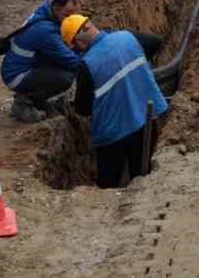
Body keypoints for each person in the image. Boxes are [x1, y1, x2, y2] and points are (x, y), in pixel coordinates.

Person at [0, 0, 165, 123]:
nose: (73, 19)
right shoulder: (45, 31)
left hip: (33, 65)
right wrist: (100, 60)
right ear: (56, 8)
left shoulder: (48, 12)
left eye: (77, 14)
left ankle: (38, 99)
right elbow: (71, 61)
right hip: (17, 75)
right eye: (68, 14)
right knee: (66, 77)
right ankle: (24, 101)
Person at [63, 14, 168, 189]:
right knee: (143, 176)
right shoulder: (127, 37)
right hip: (145, 121)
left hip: (112, 135)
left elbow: (83, 108)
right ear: (92, 26)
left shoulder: (86, 64)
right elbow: (156, 42)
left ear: (79, 44)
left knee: (108, 186)